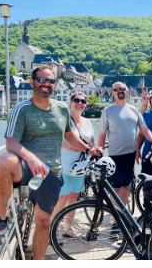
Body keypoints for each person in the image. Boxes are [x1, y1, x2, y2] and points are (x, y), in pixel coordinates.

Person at [0, 67, 102, 258]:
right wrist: (31, 158)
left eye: (50, 81)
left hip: (51, 171)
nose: (46, 84)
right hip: (26, 167)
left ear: (54, 85)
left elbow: (69, 136)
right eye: (42, 80)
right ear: (32, 82)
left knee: (44, 222)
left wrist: (88, 149)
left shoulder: (61, 109)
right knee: (3, 161)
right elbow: (11, 143)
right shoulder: (22, 109)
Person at [98, 82, 152, 214]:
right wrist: (99, 150)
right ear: (113, 92)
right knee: (115, 188)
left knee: (126, 186)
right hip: (115, 155)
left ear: (126, 91)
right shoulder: (107, 111)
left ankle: (122, 213)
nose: (120, 91)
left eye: (123, 89)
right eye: (117, 89)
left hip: (130, 154)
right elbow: (102, 134)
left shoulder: (134, 110)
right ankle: (115, 218)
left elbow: (144, 129)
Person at [51, 91, 96, 237]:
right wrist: (71, 146)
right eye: (77, 100)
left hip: (80, 167)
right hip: (64, 165)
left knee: (74, 197)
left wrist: (94, 149)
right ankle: (53, 229)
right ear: (71, 103)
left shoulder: (88, 122)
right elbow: (55, 141)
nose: (80, 103)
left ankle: (67, 228)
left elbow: (91, 142)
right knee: (62, 198)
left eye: (83, 102)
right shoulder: (64, 119)